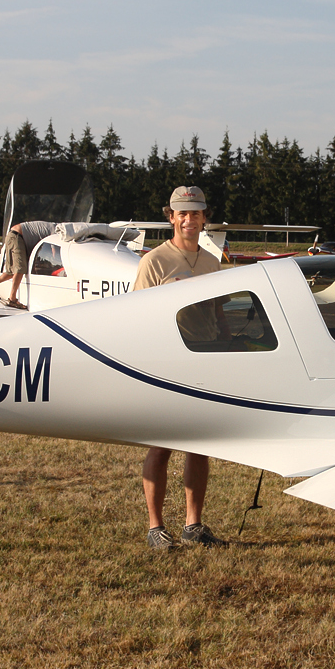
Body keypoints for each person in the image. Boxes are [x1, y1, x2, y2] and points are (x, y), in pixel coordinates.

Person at [135, 186, 225, 550]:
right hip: (166, 363)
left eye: (196, 213)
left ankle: (193, 525)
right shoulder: (153, 262)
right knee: (161, 445)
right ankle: (156, 528)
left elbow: (220, 314)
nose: (189, 220)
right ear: (170, 217)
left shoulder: (211, 263)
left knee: (198, 447)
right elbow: (137, 317)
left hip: (204, 360)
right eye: (182, 214)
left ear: (205, 217)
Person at [0, 219, 59, 309]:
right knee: (20, 269)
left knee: (10, 272)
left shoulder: (51, 227)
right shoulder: (55, 232)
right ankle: (12, 299)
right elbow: (54, 253)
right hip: (17, 237)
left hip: (13, 235)